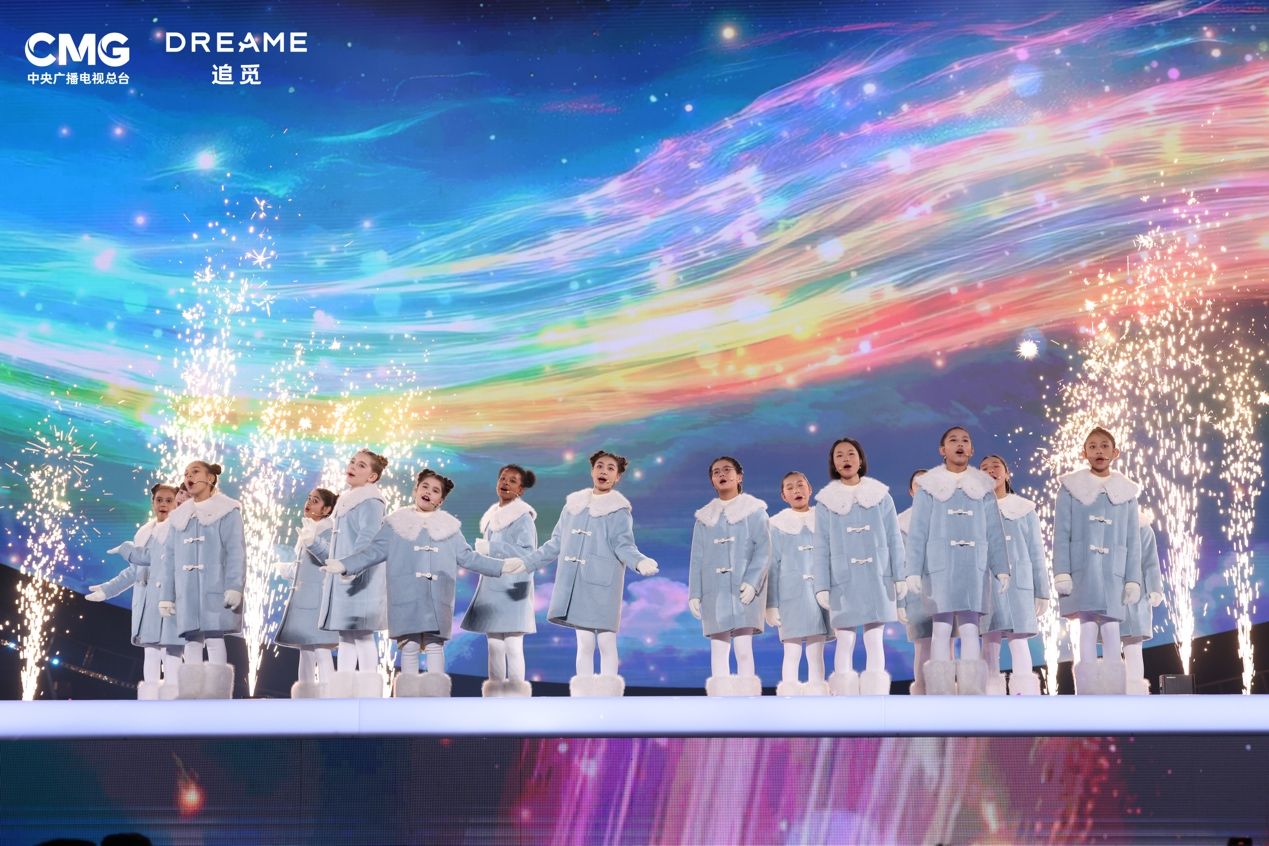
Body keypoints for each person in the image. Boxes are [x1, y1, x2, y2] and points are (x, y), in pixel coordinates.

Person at [323, 469, 518, 697]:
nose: (428, 492)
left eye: (435, 491)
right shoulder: (395, 524)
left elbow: (468, 557)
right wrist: (344, 565)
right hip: (406, 597)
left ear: (440, 501)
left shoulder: (449, 528)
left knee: (435, 645)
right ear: (416, 490)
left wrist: (500, 566)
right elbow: (372, 552)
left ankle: (437, 696)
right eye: (425, 487)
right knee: (410, 645)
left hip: (438, 598)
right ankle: (408, 697)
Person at [501, 450, 659, 697]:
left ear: (617, 477)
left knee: (606, 641)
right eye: (599, 466)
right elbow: (555, 543)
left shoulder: (618, 510)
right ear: (592, 470)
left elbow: (623, 545)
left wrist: (640, 562)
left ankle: (609, 695)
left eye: (610, 468)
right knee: (584, 642)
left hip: (604, 583)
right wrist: (526, 563)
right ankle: (583, 696)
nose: (604, 471)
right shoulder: (573, 506)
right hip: (576, 584)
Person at [112, 461, 246, 699]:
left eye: (194, 472)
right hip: (187, 591)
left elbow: (236, 551)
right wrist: (167, 596)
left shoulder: (227, 511)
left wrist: (234, 586)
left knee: (214, 640)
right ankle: (190, 694)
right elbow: (170, 560)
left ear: (210, 478)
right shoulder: (179, 517)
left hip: (215, 589)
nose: (188, 477)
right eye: (185, 474)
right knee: (192, 643)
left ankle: (217, 695)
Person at [904, 427, 1010, 695]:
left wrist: (1001, 568)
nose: (959, 444)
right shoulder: (928, 486)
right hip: (939, 566)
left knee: (970, 627)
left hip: (974, 565)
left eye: (965, 441)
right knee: (941, 628)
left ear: (972, 450)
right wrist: (913, 569)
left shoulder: (984, 486)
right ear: (943, 450)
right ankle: (940, 691)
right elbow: (917, 530)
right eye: (953, 440)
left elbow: (994, 530)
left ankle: (972, 691)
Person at [810, 438, 905, 696]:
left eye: (851, 454)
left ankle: (876, 697)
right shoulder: (826, 502)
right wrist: (822, 585)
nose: (846, 459)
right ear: (833, 464)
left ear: (861, 459)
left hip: (878, 576)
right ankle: (843, 696)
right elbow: (821, 546)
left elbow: (894, 537)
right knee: (845, 639)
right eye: (839, 455)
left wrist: (900, 575)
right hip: (843, 579)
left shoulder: (880, 496)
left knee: (874, 639)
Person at [1053, 427, 1143, 695]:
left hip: (1114, 569)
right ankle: (1088, 691)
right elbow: (1061, 533)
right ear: (1084, 453)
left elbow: (1132, 539)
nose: (1098, 451)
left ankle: (1115, 691)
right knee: (1088, 626)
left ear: (1115, 452)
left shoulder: (1126, 492)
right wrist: (1062, 572)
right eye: (1092, 447)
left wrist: (1133, 579)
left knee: (1113, 627)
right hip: (1083, 568)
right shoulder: (1070, 488)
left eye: (1104, 446)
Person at [305, 449, 388, 698]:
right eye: (352, 462)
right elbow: (336, 548)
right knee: (346, 637)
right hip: (344, 579)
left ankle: (369, 694)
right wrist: (313, 542)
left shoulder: (371, 501)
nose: (353, 466)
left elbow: (368, 541)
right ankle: (343, 693)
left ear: (372, 477)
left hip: (360, 580)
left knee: (362, 636)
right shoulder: (347, 501)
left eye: (361, 465)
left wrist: (349, 567)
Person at [90, 484, 183, 699]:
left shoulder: (178, 531)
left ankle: (176, 701)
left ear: (177, 504)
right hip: (147, 604)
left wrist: (128, 550)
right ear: (152, 503)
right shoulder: (145, 533)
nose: (163, 504)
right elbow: (134, 571)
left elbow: (153, 559)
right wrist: (107, 589)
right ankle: (149, 701)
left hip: (169, 601)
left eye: (169, 500)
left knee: (171, 651)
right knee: (150, 652)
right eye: (159, 500)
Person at [688, 456, 770, 696]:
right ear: (712, 481)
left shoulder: (754, 511)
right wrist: (695, 593)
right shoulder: (705, 518)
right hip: (715, 590)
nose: (722, 474)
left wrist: (753, 583)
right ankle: (720, 699)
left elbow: (764, 550)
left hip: (744, 589)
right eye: (716, 472)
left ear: (739, 476)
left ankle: (748, 697)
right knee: (718, 649)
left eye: (727, 470)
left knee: (743, 648)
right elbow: (697, 557)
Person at [461, 464, 539, 698]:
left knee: (513, 645)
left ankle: (516, 695)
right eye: (502, 478)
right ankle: (494, 695)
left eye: (512, 480)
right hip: (492, 586)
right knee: (494, 645)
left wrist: (492, 548)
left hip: (513, 588)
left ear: (521, 490)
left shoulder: (523, 517)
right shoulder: (492, 517)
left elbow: (528, 552)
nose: (505, 483)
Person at [978, 456, 1047, 696]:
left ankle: (1025, 698)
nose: (990, 470)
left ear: (1007, 474)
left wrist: (1042, 591)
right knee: (989, 643)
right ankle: (990, 700)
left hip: (1019, 583)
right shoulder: (975, 510)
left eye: (996, 466)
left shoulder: (1025, 509)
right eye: (984, 468)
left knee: (1019, 641)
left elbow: (1036, 551)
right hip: (987, 582)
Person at [766, 471, 833, 696]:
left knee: (816, 652)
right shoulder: (776, 525)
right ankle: (789, 695)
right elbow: (772, 566)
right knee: (791, 651)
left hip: (820, 595)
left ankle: (818, 693)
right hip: (790, 596)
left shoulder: (824, 520)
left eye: (800, 485)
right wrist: (771, 604)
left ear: (810, 489)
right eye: (790, 487)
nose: (796, 491)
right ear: (783, 496)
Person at [274, 488, 340, 698]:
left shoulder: (328, 532)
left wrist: (312, 540)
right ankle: (305, 697)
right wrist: (284, 569)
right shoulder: (308, 531)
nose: (309, 503)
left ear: (327, 509)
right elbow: (302, 568)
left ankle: (331, 698)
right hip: (304, 601)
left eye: (316, 500)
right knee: (306, 650)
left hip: (319, 601)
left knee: (321, 649)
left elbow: (329, 558)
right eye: (309, 499)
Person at [1121, 506, 1164, 694]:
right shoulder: (1104, 523)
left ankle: (1136, 692)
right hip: (1110, 594)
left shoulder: (1142, 527)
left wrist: (1155, 589)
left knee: (1133, 646)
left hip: (1137, 596)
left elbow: (1150, 561)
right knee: (1110, 646)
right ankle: (1113, 693)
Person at [896, 470, 932, 694]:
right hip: (915, 594)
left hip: (947, 591)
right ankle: (923, 694)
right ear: (911, 491)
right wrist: (900, 602)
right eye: (918, 484)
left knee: (947, 644)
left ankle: (946, 693)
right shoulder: (900, 524)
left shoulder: (948, 517)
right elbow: (898, 565)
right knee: (923, 646)